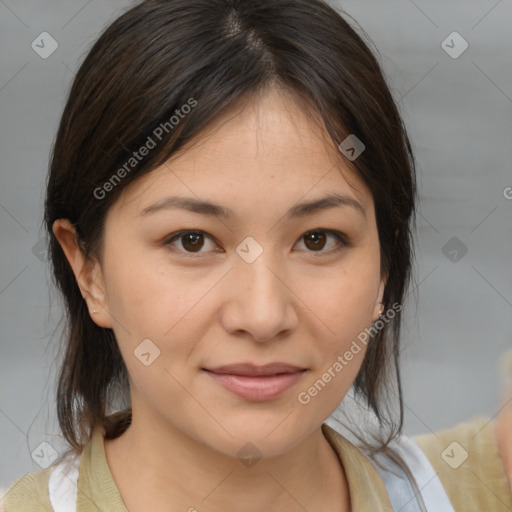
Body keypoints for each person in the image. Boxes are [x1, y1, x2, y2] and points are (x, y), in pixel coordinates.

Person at [2, 0, 510, 510]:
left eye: (318, 240)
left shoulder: (479, 488)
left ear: (383, 267)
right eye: (192, 240)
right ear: (89, 270)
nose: (263, 316)